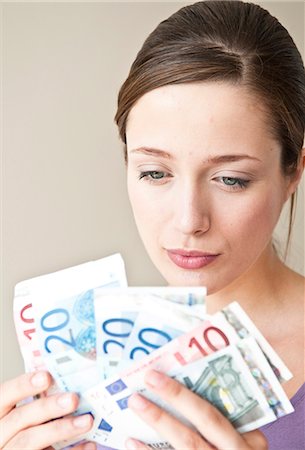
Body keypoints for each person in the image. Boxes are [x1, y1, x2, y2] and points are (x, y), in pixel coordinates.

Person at [0, 1, 304, 449]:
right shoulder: (77, 369)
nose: (189, 221)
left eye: (230, 179)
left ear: (293, 171)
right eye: (155, 173)